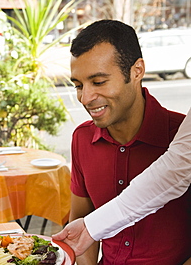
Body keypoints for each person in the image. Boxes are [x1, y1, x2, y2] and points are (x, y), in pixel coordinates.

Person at [56, 19, 191, 265]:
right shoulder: (82, 139)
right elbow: (82, 227)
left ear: (137, 71)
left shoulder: (177, 135)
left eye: (99, 81)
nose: (86, 98)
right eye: (78, 84)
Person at [53, 109, 191, 256]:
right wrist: (92, 226)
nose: (85, 99)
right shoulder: (82, 135)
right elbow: (178, 166)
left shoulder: (175, 127)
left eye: (99, 83)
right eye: (78, 87)